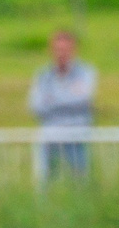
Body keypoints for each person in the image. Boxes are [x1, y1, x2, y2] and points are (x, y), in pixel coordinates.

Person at [28, 29, 98, 181]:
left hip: (77, 136)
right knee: (45, 182)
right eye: (58, 49)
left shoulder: (86, 72)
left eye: (65, 49)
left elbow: (84, 99)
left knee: (80, 181)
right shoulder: (43, 75)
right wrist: (70, 96)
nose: (61, 53)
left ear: (74, 50)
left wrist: (52, 99)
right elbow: (36, 106)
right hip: (50, 137)